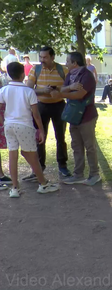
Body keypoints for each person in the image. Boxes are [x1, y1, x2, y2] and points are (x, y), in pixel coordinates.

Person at [0, 62, 60, 197]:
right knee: (32, 155)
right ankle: (43, 184)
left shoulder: (3, 90)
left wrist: (3, 122)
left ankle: (15, 188)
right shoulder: (28, 91)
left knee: (12, 155)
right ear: (23, 74)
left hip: (9, 125)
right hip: (25, 125)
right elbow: (36, 114)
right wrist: (41, 130)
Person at [49, 52, 101, 186]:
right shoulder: (70, 75)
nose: (65, 63)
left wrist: (60, 94)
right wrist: (68, 88)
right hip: (73, 116)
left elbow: (79, 94)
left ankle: (94, 174)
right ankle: (78, 174)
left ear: (75, 63)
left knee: (89, 146)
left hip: (87, 116)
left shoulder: (87, 76)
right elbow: (64, 89)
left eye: (67, 61)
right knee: (76, 146)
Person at [25, 46, 71, 180]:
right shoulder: (35, 69)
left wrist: (58, 90)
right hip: (41, 106)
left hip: (59, 106)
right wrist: (42, 91)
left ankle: (62, 165)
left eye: (45, 57)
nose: (42, 60)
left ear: (52, 57)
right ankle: (39, 167)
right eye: (40, 57)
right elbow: (29, 90)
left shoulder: (63, 70)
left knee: (61, 137)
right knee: (40, 137)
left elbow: (70, 88)